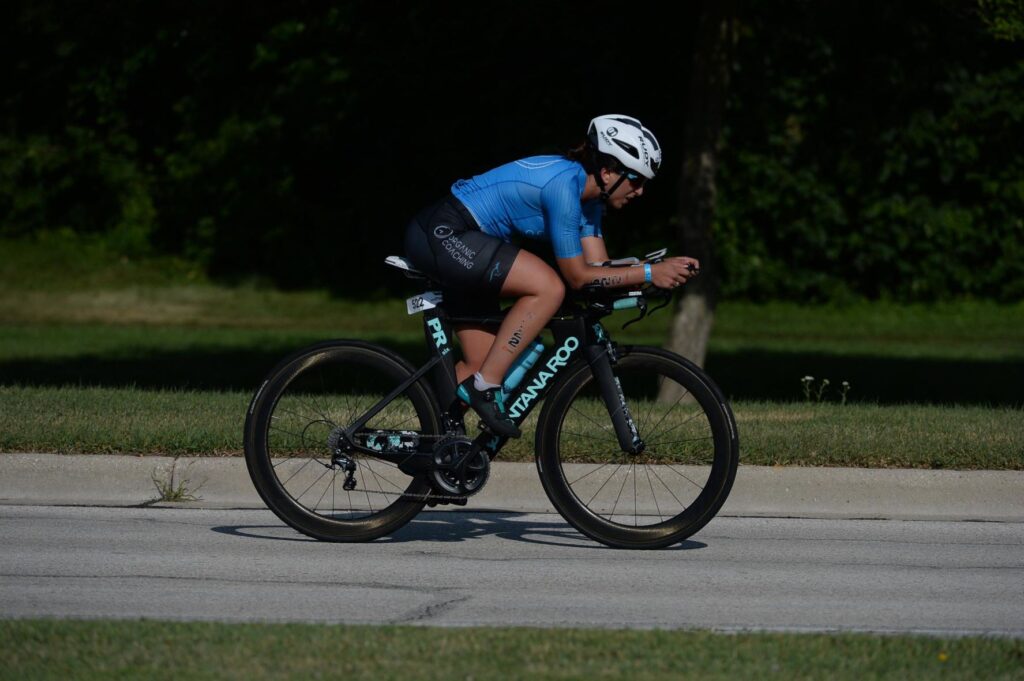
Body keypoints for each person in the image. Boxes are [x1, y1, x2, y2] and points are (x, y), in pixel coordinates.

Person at [404, 114, 699, 438]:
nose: (640, 192)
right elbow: (576, 277)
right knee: (548, 287)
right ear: (608, 171)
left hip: (471, 243)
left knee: (484, 361)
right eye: (637, 180)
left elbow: (598, 271)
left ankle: (436, 448)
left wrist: (653, 273)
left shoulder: (589, 204)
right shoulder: (563, 189)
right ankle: (485, 389)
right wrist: (647, 271)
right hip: (447, 232)